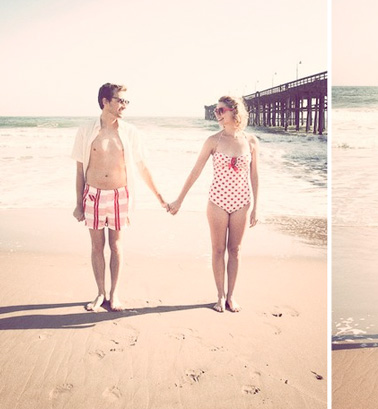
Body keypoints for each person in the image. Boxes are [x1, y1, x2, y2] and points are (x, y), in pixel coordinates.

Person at [72, 83, 168, 312]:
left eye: (126, 101)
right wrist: (78, 203)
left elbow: (142, 167)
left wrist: (160, 196)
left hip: (119, 195)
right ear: (105, 101)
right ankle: (99, 293)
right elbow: (79, 169)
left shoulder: (129, 132)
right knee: (97, 247)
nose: (124, 105)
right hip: (93, 195)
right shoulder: (86, 130)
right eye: (120, 100)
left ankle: (114, 294)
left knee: (116, 246)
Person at [168, 96, 259, 313]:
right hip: (217, 201)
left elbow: (255, 175)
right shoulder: (213, 141)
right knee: (218, 250)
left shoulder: (251, 141)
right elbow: (196, 171)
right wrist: (179, 199)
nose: (217, 114)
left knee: (235, 250)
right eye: (216, 111)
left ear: (233, 112)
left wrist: (256, 206)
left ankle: (231, 297)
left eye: (221, 111)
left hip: (241, 202)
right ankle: (220, 296)